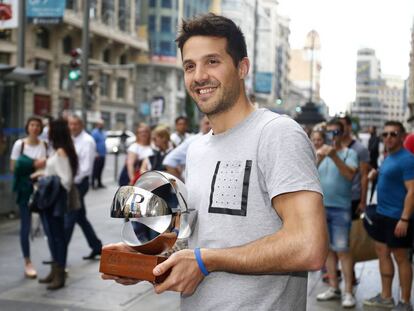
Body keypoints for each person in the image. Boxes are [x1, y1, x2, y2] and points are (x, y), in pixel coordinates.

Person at [102, 13, 328, 310]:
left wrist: (205, 261)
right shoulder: (196, 149)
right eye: (189, 66)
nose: (199, 77)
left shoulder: (276, 133)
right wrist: (148, 259)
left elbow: (308, 246)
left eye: (212, 61)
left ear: (242, 67)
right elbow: (203, 244)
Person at [363, 121, 414, 311]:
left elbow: (412, 191)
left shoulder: (408, 159)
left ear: (402, 136)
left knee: (402, 258)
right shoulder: (388, 157)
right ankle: (386, 297)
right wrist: (377, 173)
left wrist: (405, 219)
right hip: (381, 214)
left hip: (397, 217)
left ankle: (405, 302)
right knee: (382, 254)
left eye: (393, 134)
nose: (388, 138)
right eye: (385, 135)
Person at [315, 119, 358, 308]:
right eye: (329, 133)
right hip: (321, 208)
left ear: (342, 134)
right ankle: (334, 287)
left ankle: (348, 291)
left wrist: (334, 156)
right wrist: (322, 156)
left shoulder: (350, 153)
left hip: (341, 208)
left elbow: (350, 175)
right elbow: (308, 173)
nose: (332, 136)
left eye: (336, 133)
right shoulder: (320, 153)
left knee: (342, 251)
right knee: (329, 251)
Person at [36, 119, 78, 290]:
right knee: (53, 237)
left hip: (55, 201)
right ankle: (55, 271)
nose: (47, 131)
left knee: (57, 238)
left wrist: (46, 180)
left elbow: (66, 180)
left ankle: (60, 274)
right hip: (51, 200)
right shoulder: (58, 150)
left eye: (50, 129)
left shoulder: (61, 151)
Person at [10, 116, 47, 279]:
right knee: (25, 226)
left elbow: (48, 166)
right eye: (32, 125)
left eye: (38, 125)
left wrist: (38, 169)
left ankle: (57, 262)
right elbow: (13, 168)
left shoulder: (44, 145)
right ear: (27, 127)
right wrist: (33, 164)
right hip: (25, 189)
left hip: (42, 189)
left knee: (47, 224)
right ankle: (27, 261)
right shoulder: (20, 144)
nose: (35, 128)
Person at [66, 115, 103, 260]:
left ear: (81, 125)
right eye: (70, 124)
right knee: (80, 218)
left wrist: (70, 182)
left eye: (76, 124)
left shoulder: (87, 141)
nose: (73, 127)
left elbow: (86, 169)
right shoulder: (70, 139)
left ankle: (59, 255)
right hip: (71, 183)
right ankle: (97, 246)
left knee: (69, 219)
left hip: (78, 184)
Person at [91, 119, 107, 189]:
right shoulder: (94, 132)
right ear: (97, 125)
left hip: (103, 154)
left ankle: (99, 183)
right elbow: (92, 143)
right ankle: (93, 183)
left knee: (100, 169)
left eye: (102, 124)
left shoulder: (103, 132)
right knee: (95, 170)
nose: (102, 125)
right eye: (100, 124)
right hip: (97, 155)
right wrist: (95, 152)